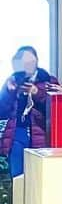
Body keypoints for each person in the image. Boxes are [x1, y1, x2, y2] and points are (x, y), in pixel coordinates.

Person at [0, 46, 56, 179]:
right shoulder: (12, 81)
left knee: (39, 180)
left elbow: (56, 109)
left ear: (36, 61)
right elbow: (2, 111)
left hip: (41, 137)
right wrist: (9, 92)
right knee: (18, 178)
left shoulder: (48, 80)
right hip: (17, 135)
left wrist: (37, 93)